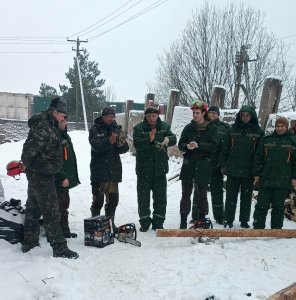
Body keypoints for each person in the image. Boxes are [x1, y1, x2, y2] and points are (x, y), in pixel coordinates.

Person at [21, 96, 79, 259]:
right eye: (62, 115)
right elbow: (30, 148)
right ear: (54, 112)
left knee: (33, 208)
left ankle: (29, 242)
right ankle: (59, 247)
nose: (64, 118)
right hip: (41, 174)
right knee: (52, 211)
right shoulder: (44, 126)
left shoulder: (51, 124)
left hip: (40, 172)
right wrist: (25, 163)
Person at [133, 104, 176, 232]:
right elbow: (137, 144)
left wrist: (168, 139)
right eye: (149, 116)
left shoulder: (164, 127)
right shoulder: (138, 128)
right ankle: (145, 222)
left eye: (154, 116)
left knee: (160, 198)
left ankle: (158, 222)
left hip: (160, 169)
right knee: (143, 198)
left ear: (158, 116)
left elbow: (174, 138)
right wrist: (149, 138)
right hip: (143, 170)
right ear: (145, 116)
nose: (152, 118)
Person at [220, 105, 264, 228]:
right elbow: (225, 148)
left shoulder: (258, 132)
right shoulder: (232, 129)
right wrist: (223, 164)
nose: (245, 118)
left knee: (246, 198)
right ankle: (228, 219)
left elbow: (260, 154)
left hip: (248, 171)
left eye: (247, 115)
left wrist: (257, 171)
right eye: (243, 115)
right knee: (230, 197)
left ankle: (244, 221)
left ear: (252, 116)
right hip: (233, 169)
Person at [178, 100, 218, 229]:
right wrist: (187, 146)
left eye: (197, 113)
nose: (195, 115)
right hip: (189, 165)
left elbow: (214, 146)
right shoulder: (188, 128)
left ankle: (201, 220)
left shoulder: (212, 128)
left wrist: (199, 145)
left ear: (203, 113)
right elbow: (180, 144)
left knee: (202, 195)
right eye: (194, 113)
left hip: (204, 165)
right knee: (185, 194)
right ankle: (183, 221)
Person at [89, 106, 129, 230]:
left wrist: (121, 142)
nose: (110, 119)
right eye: (108, 116)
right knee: (98, 200)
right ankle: (95, 224)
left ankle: (110, 225)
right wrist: (109, 141)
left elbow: (124, 148)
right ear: (102, 116)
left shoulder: (117, 128)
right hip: (99, 170)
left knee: (113, 201)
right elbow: (95, 146)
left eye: (112, 117)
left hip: (113, 170)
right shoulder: (95, 129)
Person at [253, 117, 296, 229]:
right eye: (277, 126)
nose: (279, 128)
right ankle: (258, 228)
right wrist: (257, 174)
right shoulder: (267, 139)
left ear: (286, 127)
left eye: (282, 126)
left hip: (283, 180)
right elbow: (258, 157)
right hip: (266, 179)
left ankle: (276, 230)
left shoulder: (292, 141)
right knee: (261, 206)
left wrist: (294, 177)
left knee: (278, 207)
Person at [192, 105, 229, 225]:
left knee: (217, 192)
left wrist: (223, 163)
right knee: (199, 191)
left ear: (218, 114)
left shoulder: (225, 128)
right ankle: (196, 215)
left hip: (217, 164)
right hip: (202, 163)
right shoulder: (202, 125)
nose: (212, 115)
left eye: (215, 113)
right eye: (210, 113)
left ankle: (219, 216)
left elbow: (227, 146)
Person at [55, 116, 80, 238]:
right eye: (64, 121)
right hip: (58, 179)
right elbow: (55, 161)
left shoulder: (64, 135)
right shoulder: (55, 137)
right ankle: (58, 233)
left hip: (64, 178)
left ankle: (64, 231)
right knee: (59, 206)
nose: (66, 123)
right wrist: (62, 176)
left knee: (64, 204)